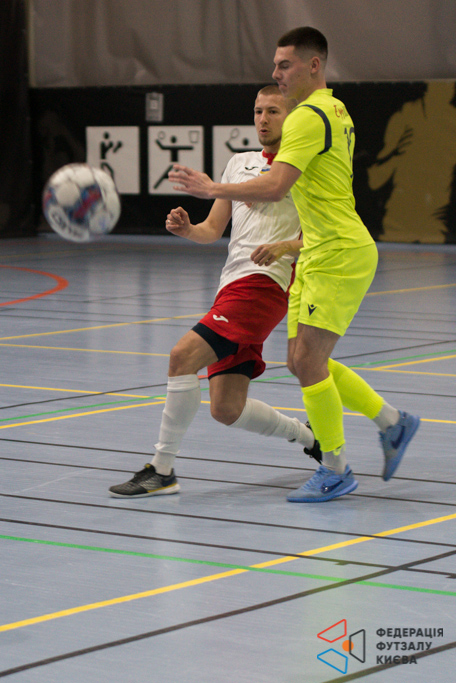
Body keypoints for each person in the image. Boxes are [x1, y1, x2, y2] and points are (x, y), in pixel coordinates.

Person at [168, 27, 420, 503]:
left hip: (337, 251)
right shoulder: (335, 108)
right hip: (316, 251)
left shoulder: (307, 117)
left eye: (285, 65)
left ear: (313, 65)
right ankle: (392, 423)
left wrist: (212, 188)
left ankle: (336, 468)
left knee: (306, 361)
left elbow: (276, 186)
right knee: (303, 360)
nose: (276, 73)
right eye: (275, 66)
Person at [109, 85, 319, 499]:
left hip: (264, 286)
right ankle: (312, 438)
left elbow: (321, 235)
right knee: (226, 408)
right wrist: (189, 229)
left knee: (181, 356)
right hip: (230, 286)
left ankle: (162, 469)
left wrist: (285, 246)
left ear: (293, 118)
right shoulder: (238, 163)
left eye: (273, 111)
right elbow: (212, 229)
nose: (262, 119)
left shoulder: (301, 170)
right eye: (257, 111)